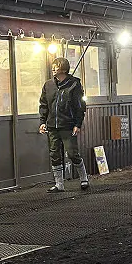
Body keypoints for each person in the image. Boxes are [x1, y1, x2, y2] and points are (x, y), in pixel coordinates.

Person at [39, 56, 90, 192]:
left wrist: (78, 124)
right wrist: (42, 122)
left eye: (56, 66)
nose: (53, 69)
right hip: (52, 126)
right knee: (54, 154)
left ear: (63, 69)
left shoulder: (74, 84)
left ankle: (84, 178)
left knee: (72, 153)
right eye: (53, 66)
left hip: (68, 125)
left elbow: (80, 106)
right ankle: (59, 184)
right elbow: (44, 104)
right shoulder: (48, 85)